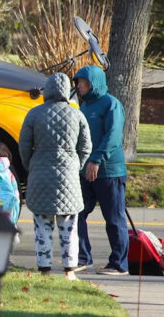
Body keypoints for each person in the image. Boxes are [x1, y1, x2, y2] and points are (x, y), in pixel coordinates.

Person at [19, 72, 91, 280]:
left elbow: (24, 145)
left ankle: (44, 269)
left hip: (40, 174)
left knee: (42, 225)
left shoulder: (34, 114)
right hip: (68, 175)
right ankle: (69, 270)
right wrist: (76, 165)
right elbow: (86, 147)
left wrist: (30, 164)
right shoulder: (77, 115)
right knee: (69, 226)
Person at [73, 65, 130, 276]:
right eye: (77, 81)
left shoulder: (111, 105)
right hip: (84, 170)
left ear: (93, 83)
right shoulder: (84, 106)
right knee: (76, 213)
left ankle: (118, 264)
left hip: (108, 172)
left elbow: (113, 137)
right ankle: (82, 257)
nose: (78, 85)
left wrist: (96, 160)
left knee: (114, 219)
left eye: (82, 81)